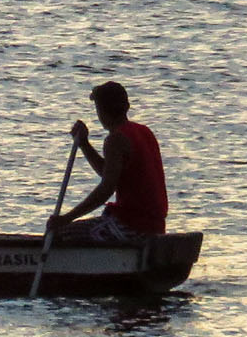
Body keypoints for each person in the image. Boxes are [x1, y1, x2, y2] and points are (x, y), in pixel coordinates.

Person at [50, 80, 168, 243]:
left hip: (133, 226)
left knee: (61, 235)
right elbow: (110, 172)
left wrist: (67, 218)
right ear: (126, 107)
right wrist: (84, 144)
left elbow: (106, 189)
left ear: (101, 111)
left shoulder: (115, 139)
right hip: (155, 225)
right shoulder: (144, 132)